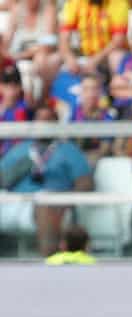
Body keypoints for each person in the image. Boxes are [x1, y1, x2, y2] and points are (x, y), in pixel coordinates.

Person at [0, 106, 93, 256]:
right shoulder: (20, 148)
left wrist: (63, 200)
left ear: (56, 123)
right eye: (40, 119)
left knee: (46, 203)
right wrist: (17, 170)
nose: (43, 123)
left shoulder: (68, 149)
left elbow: (86, 183)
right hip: (16, 202)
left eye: (48, 119)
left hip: (54, 202)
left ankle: (49, 267)